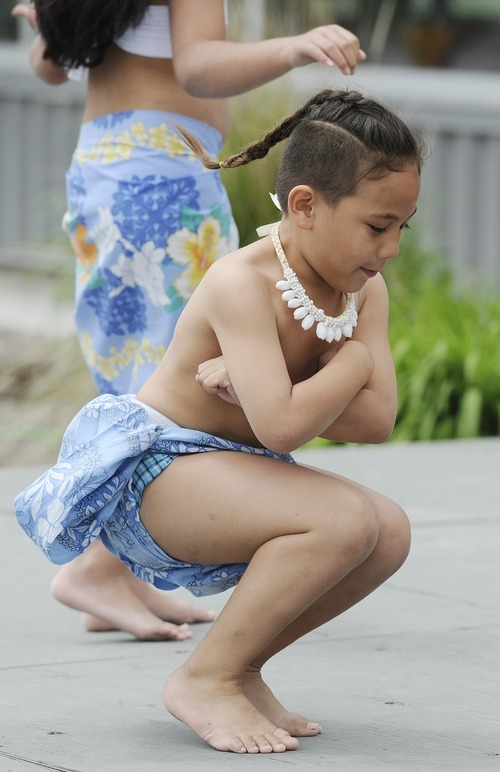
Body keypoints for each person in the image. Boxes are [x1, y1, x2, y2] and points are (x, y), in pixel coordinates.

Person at [15, 87, 425, 754]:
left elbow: (376, 421)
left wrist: (289, 388)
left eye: (401, 227)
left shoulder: (361, 291)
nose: (390, 250)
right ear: (305, 205)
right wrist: (348, 367)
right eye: (378, 226)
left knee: (389, 533)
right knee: (344, 519)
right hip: (160, 474)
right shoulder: (243, 284)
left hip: (235, 472)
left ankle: (238, 667)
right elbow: (286, 428)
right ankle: (203, 678)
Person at [12, 0, 367, 641]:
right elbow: (199, 68)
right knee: (171, 374)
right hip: (161, 177)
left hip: (107, 166)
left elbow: (49, 65)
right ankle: (95, 567)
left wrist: (46, 23)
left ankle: (112, 572)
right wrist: (298, 45)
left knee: (134, 363)